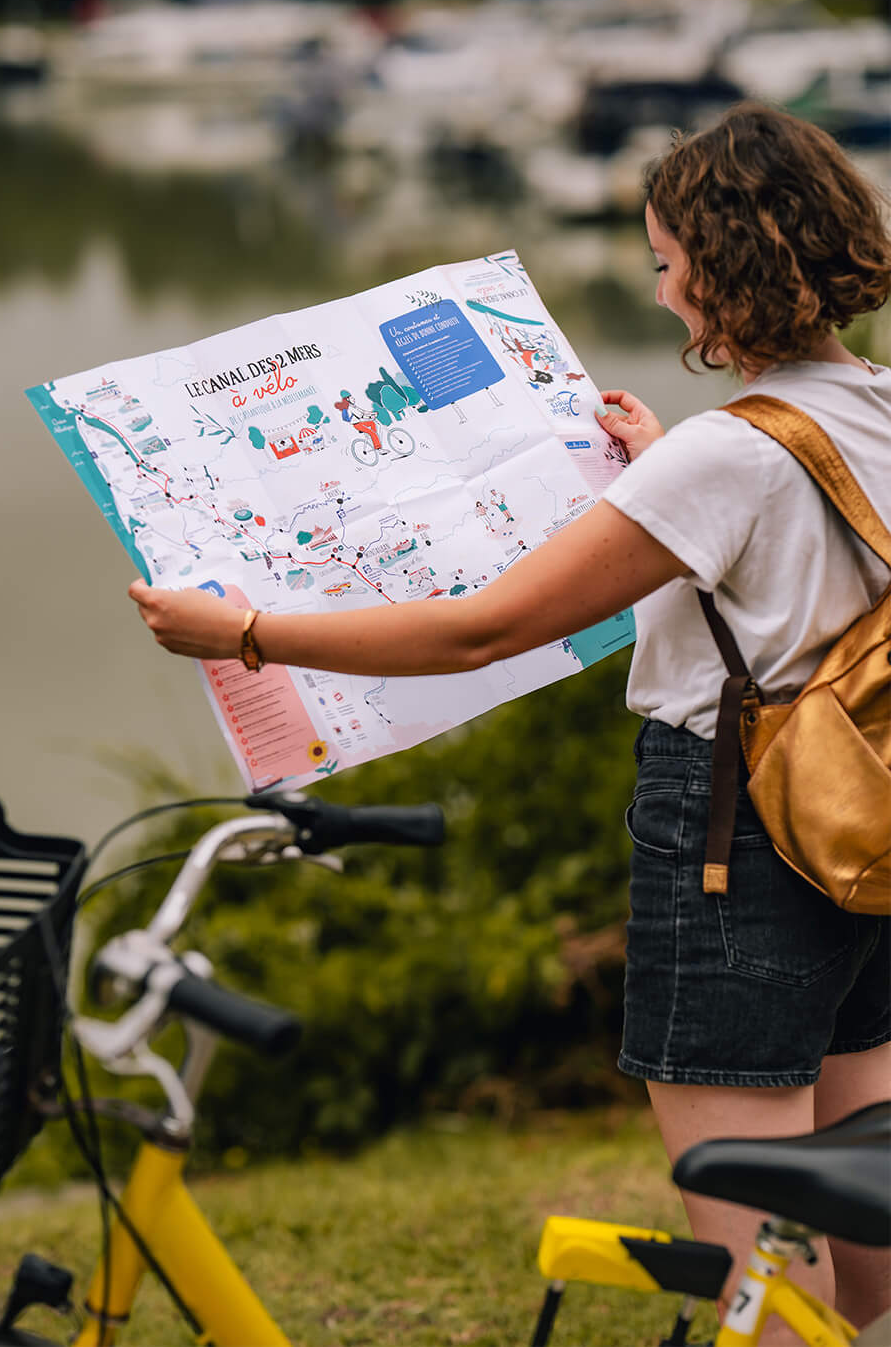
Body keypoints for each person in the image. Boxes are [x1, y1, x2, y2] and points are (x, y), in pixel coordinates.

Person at [128, 103, 891, 1337]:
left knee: (757, 1241)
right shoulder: (867, 412)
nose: (662, 293)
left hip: (733, 841)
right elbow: (813, 573)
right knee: (863, 1237)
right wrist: (658, 458)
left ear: (723, 262)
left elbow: (477, 630)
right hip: (863, 831)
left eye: (664, 262)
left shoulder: (729, 459)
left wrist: (249, 632)